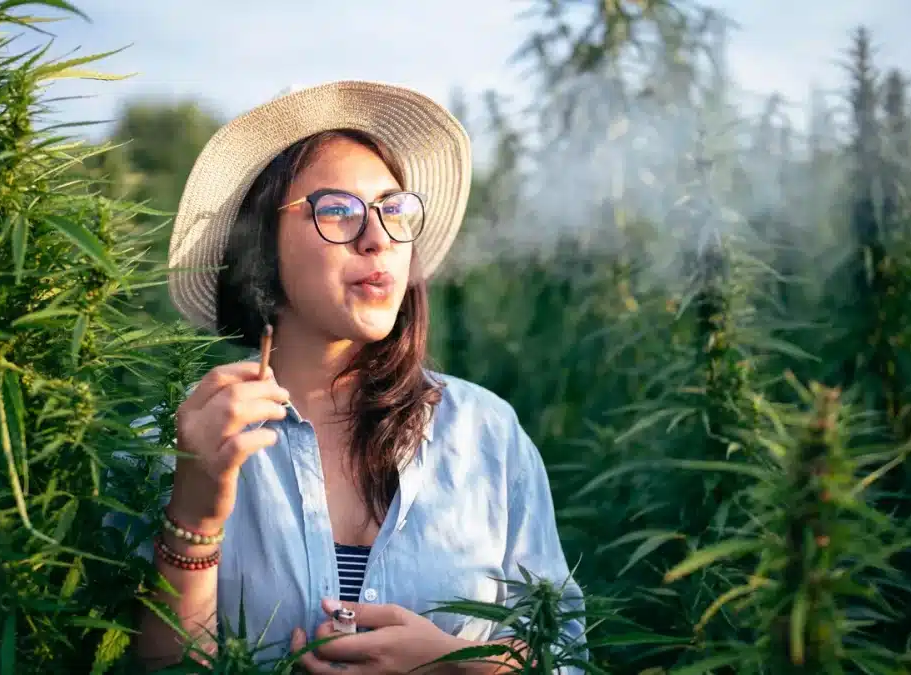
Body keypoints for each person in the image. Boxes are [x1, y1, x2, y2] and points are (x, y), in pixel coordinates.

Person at [125, 80, 585, 673]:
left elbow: (566, 655)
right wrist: (193, 516)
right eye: (337, 210)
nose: (377, 239)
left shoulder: (487, 436)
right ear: (261, 244)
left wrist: (459, 663)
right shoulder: (167, 443)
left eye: (393, 209)